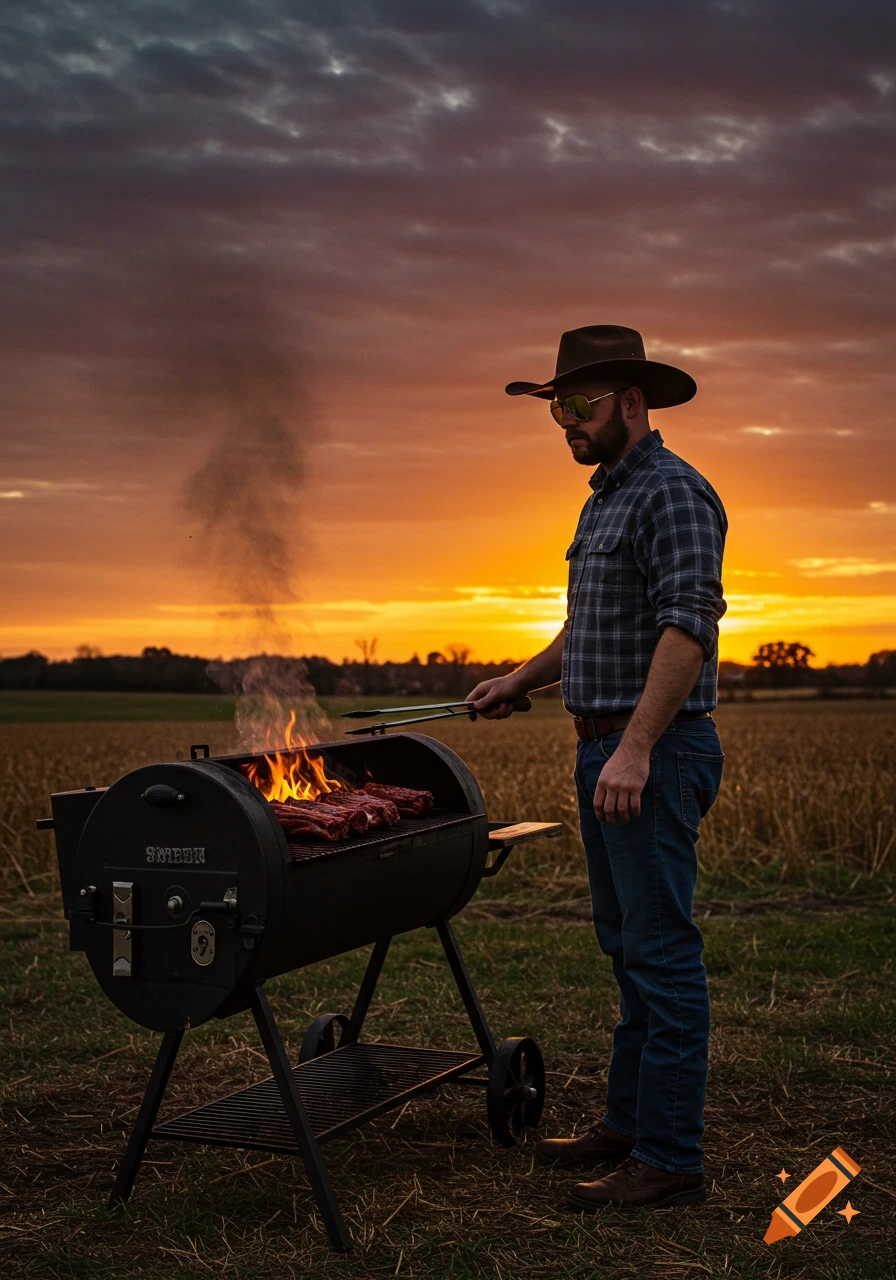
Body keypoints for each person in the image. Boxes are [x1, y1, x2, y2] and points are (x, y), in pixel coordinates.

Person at [466, 324, 727, 1211]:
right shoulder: (602, 500)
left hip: (648, 753)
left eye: (577, 406)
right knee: (626, 950)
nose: (566, 424)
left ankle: (668, 1160)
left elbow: (688, 626)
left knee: (660, 954)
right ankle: (628, 1124)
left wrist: (638, 747)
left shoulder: (674, 493)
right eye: (556, 410)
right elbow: (590, 629)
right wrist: (517, 680)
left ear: (630, 400)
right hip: (603, 748)